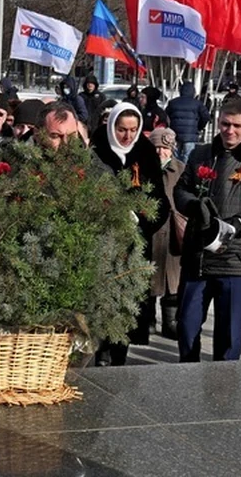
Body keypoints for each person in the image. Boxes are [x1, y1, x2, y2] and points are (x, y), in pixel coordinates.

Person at [174, 98, 241, 362]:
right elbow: (181, 189)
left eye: (236, 125)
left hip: (235, 258)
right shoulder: (201, 154)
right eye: (224, 124)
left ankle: (223, 388)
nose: (229, 131)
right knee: (186, 328)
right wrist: (193, 205)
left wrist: (237, 225)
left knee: (229, 337)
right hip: (197, 257)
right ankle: (185, 377)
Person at [91, 103, 170, 364]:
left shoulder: (145, 152)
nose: (127, 136)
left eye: (133, 130)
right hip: (102, 240)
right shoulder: (97, 150)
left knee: (127, 303)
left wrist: (140, 221)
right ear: (112, 126)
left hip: (135, 243)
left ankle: (119, 353)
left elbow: (159, 200)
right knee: (101, 299)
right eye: (122, 129)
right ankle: (100, 349)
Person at [148, 127, 185, 340]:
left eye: (165, 148)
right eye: (157, 147)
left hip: (174, 234)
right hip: (153, 232)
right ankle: (149, 319)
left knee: (173, 279)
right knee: (150, 278)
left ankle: (171, 320)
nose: (161, 152)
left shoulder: (180, 169)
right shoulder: (143, 169)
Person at [165, 82, 210, 163]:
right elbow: (206, 116)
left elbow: (166, 116)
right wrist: (199, 127)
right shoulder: (197, 103)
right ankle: (185, 173)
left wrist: (170, 127)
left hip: (175, 133)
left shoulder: (173, 103)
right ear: (193, 92)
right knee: (188, 156)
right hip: (191, 134)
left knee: (175, 156)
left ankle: (176, 173)